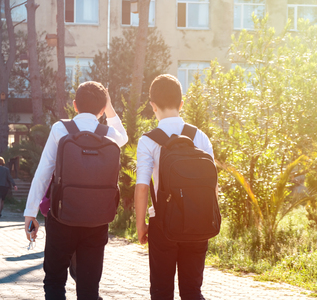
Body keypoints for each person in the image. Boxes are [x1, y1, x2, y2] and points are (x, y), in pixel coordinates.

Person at [24, 81, 128, 300]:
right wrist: (108, 107)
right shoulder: (109, 134)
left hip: (62, 217)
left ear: (75, 105)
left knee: (54, 280)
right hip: (97, 220)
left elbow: (44, 171)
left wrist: (30, 212)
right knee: (89, 288)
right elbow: (124, 136)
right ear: (102, 109)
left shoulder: (61, 129)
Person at [134, 74, 214, 300]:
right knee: (192, 291)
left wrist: (141, 225)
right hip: (198, 223)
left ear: (152, 105)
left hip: (163, 224)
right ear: (181, 103)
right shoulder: (200, 137)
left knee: (161, 292)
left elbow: (142, 187)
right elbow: (212, 185)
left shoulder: (148, 140)